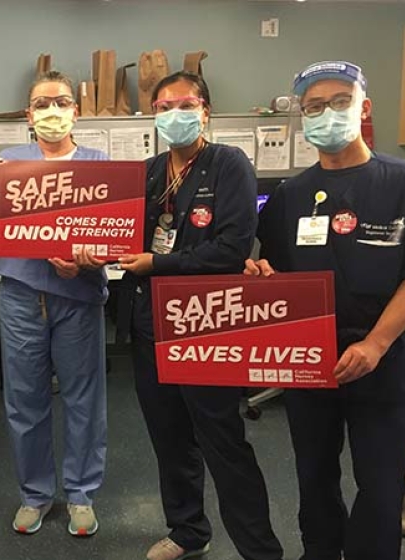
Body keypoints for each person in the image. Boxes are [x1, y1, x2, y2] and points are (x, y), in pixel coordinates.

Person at [246, 61, 405, 560]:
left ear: (364, 108)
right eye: (314, 107)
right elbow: (282, 277)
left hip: (384, 356)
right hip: (311, 359)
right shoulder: (289, 196)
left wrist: (376, 343)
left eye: (339, 102)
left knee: (381, 480)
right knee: (314, 472)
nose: (327, 114)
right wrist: (264, 280)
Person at [117, 71, 284, 560]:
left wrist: (159, 263)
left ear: (205, 110)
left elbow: (232, 249)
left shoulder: (228, 165)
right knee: (169, 439)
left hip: (203, 324)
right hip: (149, 322)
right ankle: (189, 530)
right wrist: (89, 250)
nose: (174, 113)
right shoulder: (147, 172)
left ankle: (259, 549)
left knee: (223, 442)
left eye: (185, 103)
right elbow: (123, 239)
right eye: (163, 105)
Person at [0, 71, 108, 537]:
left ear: (76, 110)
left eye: (61, 102)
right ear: (29, 115)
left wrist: (87, 262)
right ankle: (35, 493)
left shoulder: (99, 166)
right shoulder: (9, 163)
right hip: (23, 294)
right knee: (24, 399)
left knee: (84, 398)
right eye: (42, 104)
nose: (52, 111)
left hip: (79, 296)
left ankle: (82, 492)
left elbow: (112, 238)